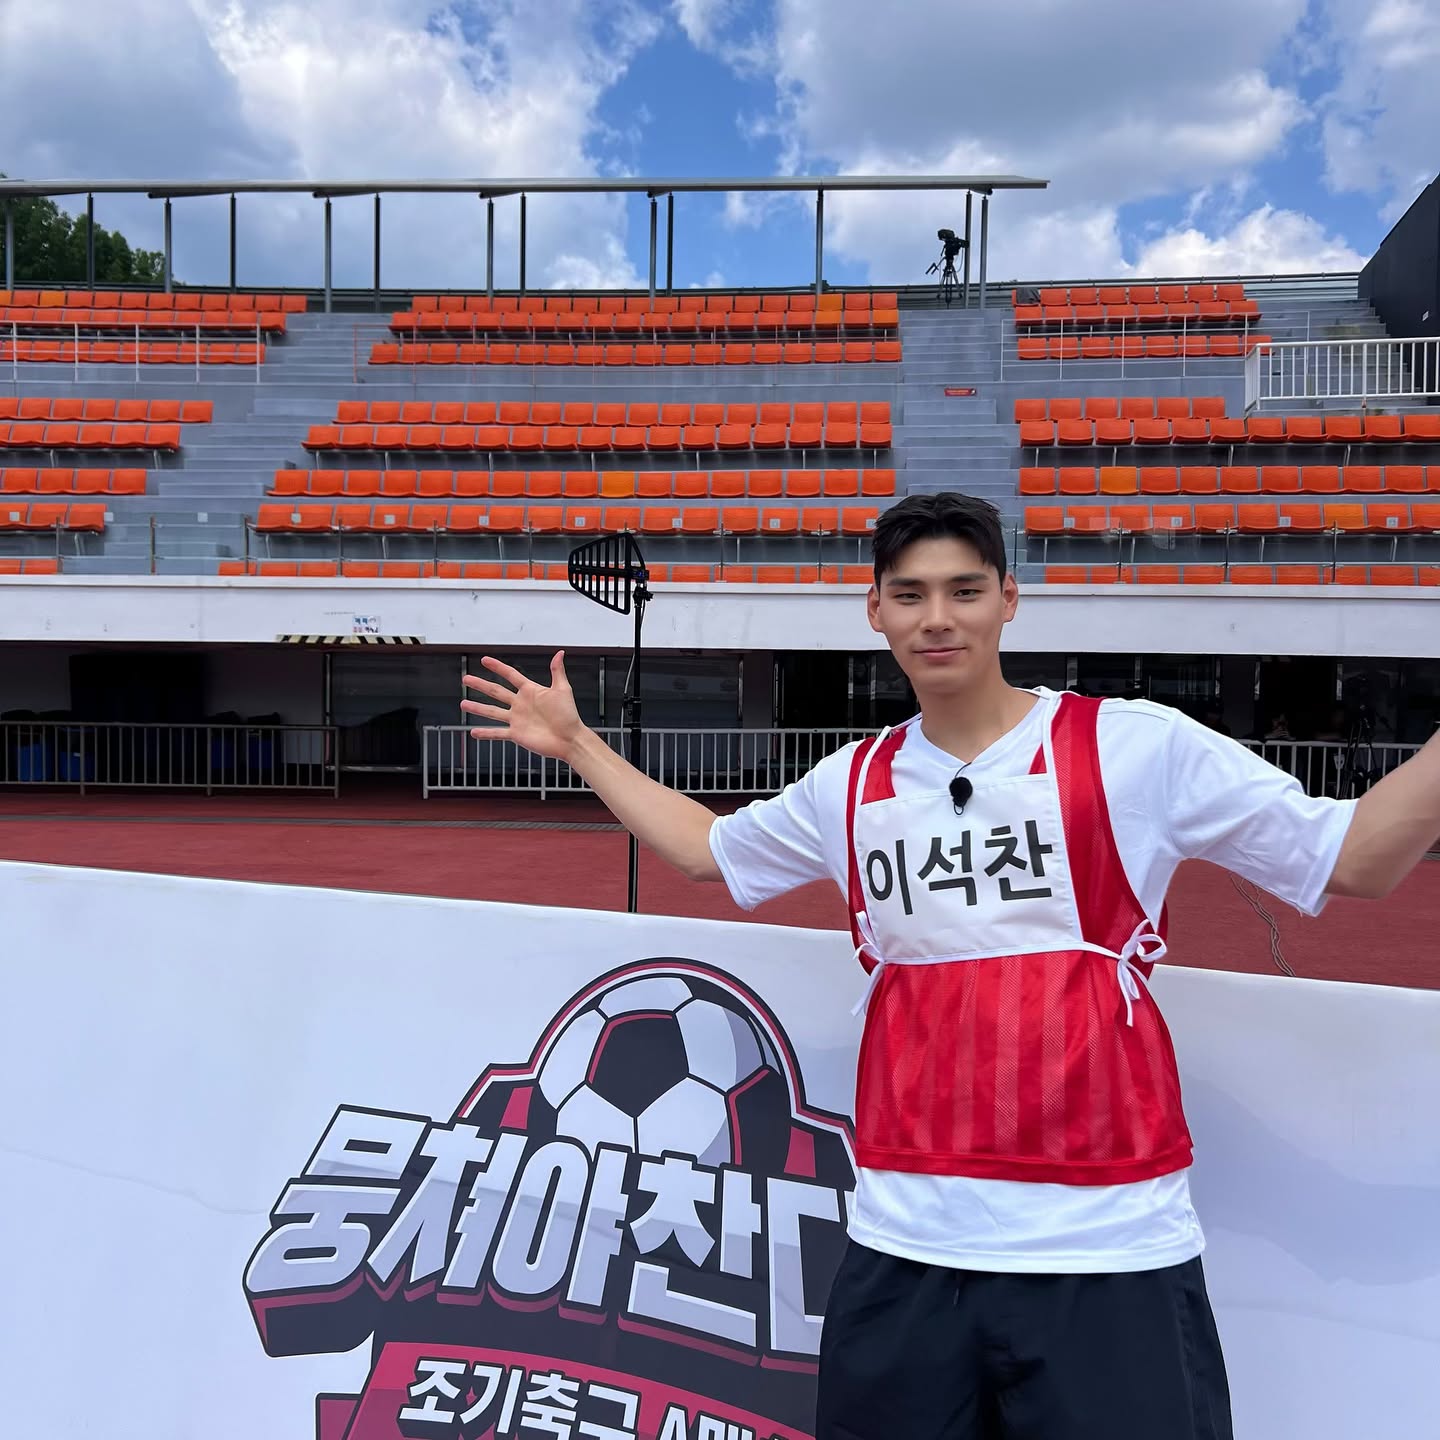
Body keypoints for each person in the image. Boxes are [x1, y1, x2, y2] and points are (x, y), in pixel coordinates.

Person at [461, 492, 1440, 1440]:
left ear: (1008, 600)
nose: (938, 618)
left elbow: (1353, 857)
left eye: (965, 590)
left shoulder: (1133, 749)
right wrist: (580, 744)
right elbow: (707, 852)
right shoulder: (851, 784)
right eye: (912, 594)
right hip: (906, 1251)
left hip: (1104, 1252)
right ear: (876, 611)